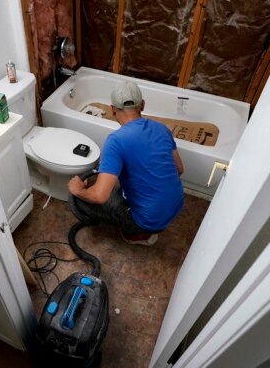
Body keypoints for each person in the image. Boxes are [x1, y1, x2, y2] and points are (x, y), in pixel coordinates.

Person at [67, 80, 185, 246]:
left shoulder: (116, 140)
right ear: (142, 105)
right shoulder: (162, 129)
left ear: (113, 110)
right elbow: (179, 170)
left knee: (78, 200)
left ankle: (138, 235)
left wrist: (78, 190)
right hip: (175, 207)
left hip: (148, 220)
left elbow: (99, 196)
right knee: (117, 184)